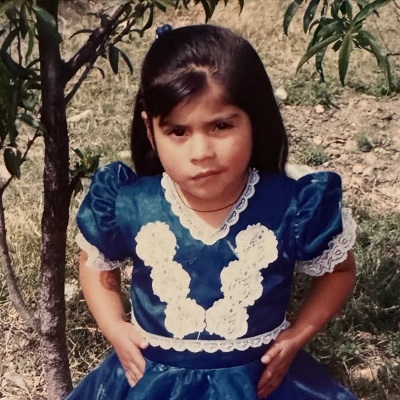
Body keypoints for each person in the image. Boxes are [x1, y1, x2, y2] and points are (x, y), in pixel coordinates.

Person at [67, 24, 357, 399]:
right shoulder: (131, 202)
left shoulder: (291, 205)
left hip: (257, 384)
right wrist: (114, 327)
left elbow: (339, 270)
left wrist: (297, 336)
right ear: (151, 131)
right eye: (178, 132)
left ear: (254, 120)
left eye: (220, 126)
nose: (201, 152)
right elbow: (95, 264)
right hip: (153, 384)